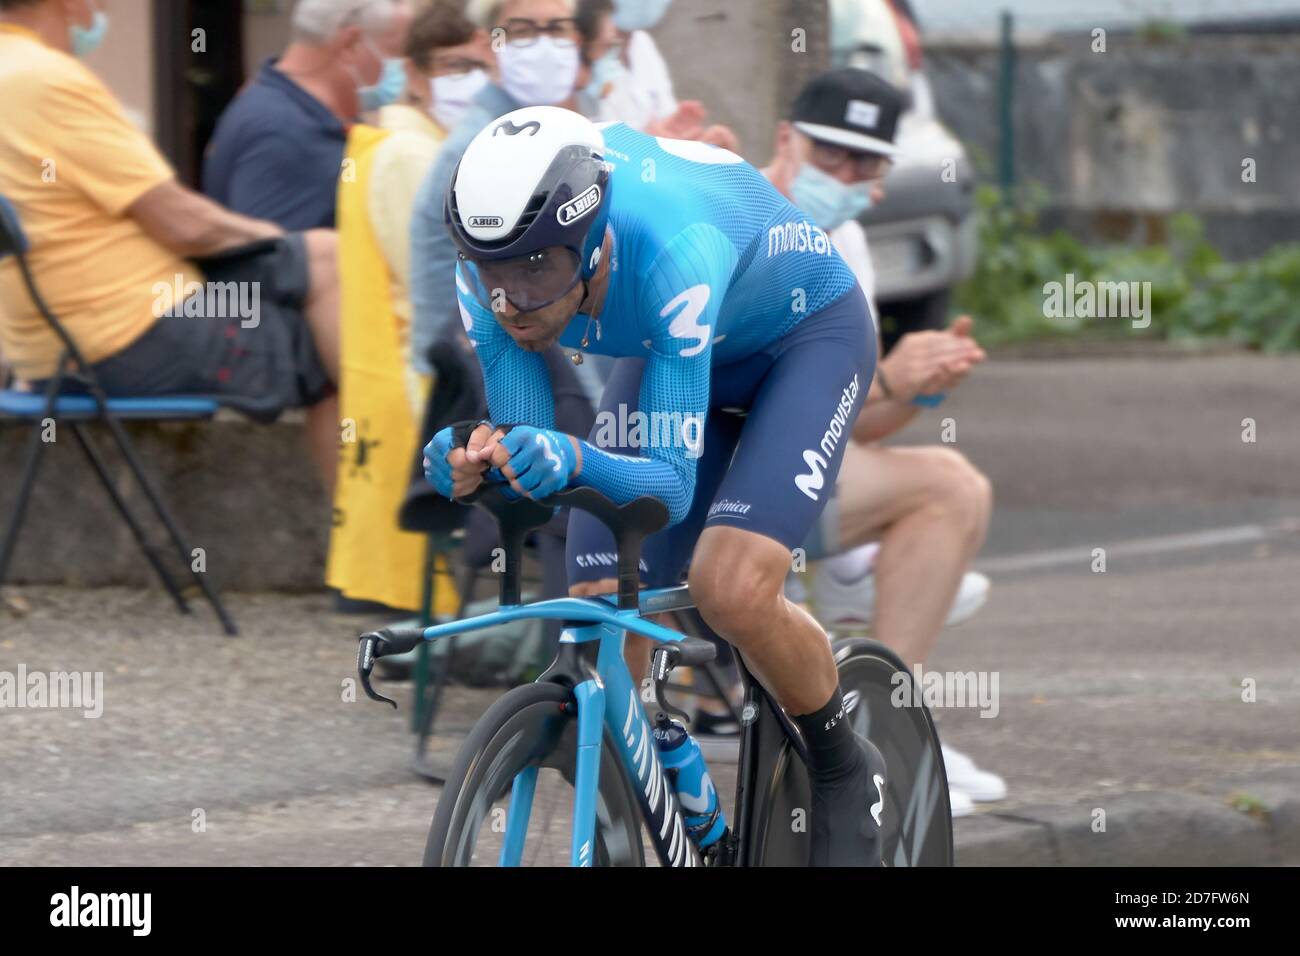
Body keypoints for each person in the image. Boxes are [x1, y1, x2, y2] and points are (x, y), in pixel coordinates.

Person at [424, 105, 886, 866]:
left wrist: (567, 459)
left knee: (730, 587)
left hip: (805, 340)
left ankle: (842, 761)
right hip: (672, 345)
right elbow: (531, 451)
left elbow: (666, 490)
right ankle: (638, 822)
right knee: (604, 611)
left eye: (537, 270)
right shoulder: (493, 271)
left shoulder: (676, 246)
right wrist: (475, 466)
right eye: (491, 271)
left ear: (595, 239)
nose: (509, 302)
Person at [762, 68, 1005, 813]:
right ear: (785, 140)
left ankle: (888, 727)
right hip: (723, 467)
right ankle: (873, 740)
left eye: (866, 163)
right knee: (947, 488)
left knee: (954, 488)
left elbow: (851, 418)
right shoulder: (741, 216)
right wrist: (892, 382)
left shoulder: (848, 239)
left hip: (796, 463)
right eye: (830, 154)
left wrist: (921, 385)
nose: (846, 175)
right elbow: (769, 397)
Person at [0, 0, 342, 493]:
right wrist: (270, 238)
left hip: (53, 342)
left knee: (325, 254)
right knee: (337, 337)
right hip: (139, 327)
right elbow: (182, 224)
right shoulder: (51, 81)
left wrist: (282, 245)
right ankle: (373, 542)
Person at [326, 0, 490, 614]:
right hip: (421, 370)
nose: (468, 80)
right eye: (454, 66)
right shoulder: (411, 153)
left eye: (478, 65)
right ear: (416, 74)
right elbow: (435, 273)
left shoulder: (402, 140)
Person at [202, 0, 413, 230]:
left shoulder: (284, 107)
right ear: (350, 45)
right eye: (393, 52)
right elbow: (272, 259)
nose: (399, 68)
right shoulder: (280, 135)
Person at [575, 0, 737, 149]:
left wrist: (684, 140)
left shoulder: (642, 43)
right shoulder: (580, 69)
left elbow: (662, 120)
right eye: (608, 45)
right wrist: (652, 144)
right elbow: (594, 149)